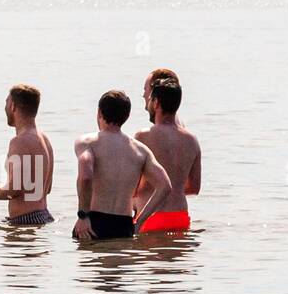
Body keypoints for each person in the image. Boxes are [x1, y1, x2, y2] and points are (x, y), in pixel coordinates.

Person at [72, 91, 171, 241]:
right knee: (122, 262)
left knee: (91, 264)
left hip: (94, 223)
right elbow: (165, 186)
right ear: (127, 116)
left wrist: (83, 215)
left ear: (99, 112)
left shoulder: (87, 142)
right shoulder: (140, 150)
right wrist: (139, 222)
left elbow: (86, 176)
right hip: (124, 225)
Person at [0, 84, 55, 226]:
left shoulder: (19, 142)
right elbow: (45, 188)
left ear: (13, 106)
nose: (5, 107)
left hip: (25, 220)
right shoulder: (44, 140)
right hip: (44, 216)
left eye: (6, 102)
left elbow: (14, 189)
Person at [132, 77, 200, 232]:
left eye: (149, 99)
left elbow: (133, 186)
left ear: (156, 103)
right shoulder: (191, 140)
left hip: (151, 217)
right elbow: (194, 188)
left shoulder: (143, 136)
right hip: (180, 217)